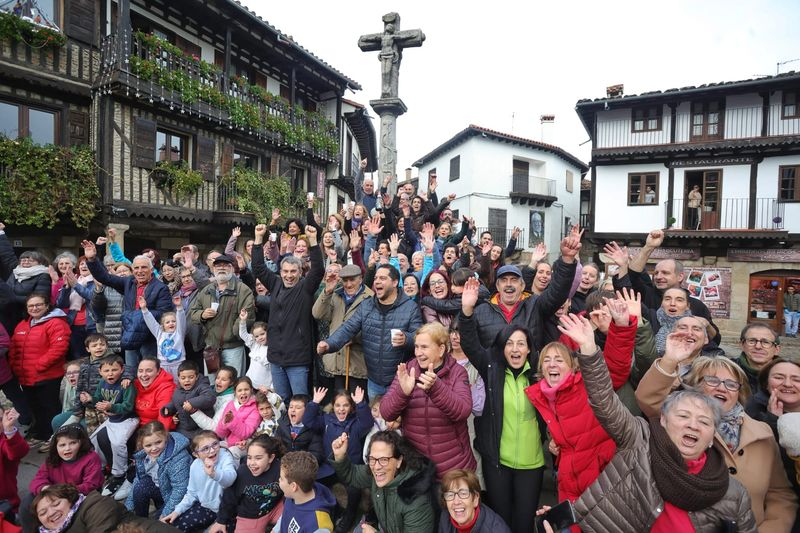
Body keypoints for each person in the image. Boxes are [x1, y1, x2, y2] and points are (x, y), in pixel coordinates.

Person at [556, 313, 757, 532]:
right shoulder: (640, 441)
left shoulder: (733, 494)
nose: (692, 425)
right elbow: (604, 401)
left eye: (704, 421)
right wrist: (588, 348)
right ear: (663, 420)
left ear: (712, 437)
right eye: (683, 416)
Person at [636, 354, 798, 532]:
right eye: (712, 380)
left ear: (739, 392)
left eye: (731, 384)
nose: (722, 388)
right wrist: (669, 359)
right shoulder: (678, 423)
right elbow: (648, 398)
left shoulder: (763, 432)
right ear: (695, 385)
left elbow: (780, 494)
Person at [527, 297, 636, 506]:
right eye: (547, 361)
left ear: (572, 366)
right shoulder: (543, 397)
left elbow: (615, 367)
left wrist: (621, 326)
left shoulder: (586, 384)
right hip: (569, 483)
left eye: (559, 360)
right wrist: (554, 446)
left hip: (602, 483)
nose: (552, 365)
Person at [458, 277, 545, 533]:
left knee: (523, 524)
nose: (515, 349)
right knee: (500, 522)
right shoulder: (491, 369)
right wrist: (466, 311)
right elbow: (470, 344)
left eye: (521, 344)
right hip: (498, 463)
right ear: (501, 348)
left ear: (529, 349)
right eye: (509, 343)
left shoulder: (540, 376)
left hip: (532, 465)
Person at [380, 322, 475, 479]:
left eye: (424, 347)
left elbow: (463, 410)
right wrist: (402, 393)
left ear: (441, 349)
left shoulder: (458, 372)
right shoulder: (408, 370)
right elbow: (386, 413)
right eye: (416, 347)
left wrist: (436, 387)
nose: (418, 353)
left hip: (454, 467)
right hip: (418, 467)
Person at [318, 264, 423, 399]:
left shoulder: (411, 308)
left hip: (399, 381)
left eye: (383, 278)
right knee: (375, 419)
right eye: (376, 278)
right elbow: (348, 328)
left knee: (397, 420)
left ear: (395, 282)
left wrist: (407, 339)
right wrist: (329, 344)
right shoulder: (366, 305)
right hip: (373, 381)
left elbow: (419, 338)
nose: (377, 281)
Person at [252, 224, 324, 401]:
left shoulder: (306, 287)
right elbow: (259, 267)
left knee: (300, 400)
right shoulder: (275, 284)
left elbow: (318, 270)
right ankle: (283, 429)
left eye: (293, 271)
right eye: (285, 271)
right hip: (276, 357)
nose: (289, 275)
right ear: (280, 272)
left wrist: (313, 241)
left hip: (298, 359)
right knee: (281, 399)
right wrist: (258, 239)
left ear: (300, 272)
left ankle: (301, 429)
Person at [82, 239, 174, 373]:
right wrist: (92, 259)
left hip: (149, 340)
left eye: (144, 267)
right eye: (136, 268)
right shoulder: (129, 282)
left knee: (149, 373)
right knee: (130, 373)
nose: (140, 271)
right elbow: (105, 278)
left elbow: (164, 314)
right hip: (130, 337)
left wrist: (138, 315)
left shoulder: (161, 288)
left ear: (151, 269)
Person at [615, 229, 720, 344]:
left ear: (680, 276)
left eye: (665, 273)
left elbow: (715, 339)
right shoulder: (646, 295)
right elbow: (632, 277)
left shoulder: (697, 306)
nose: (658, 277)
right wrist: (649, 246)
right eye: (656, 273)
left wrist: (707, 325)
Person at [331, 431, 436, 533]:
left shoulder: (417, 501)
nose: (376, 467)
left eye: (384, 460)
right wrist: (340, 456)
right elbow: (352, 474)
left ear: (399, 461)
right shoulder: (377, 474)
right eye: (372, 459)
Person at [304, 386, 372, 532]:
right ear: (332, 406)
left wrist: (361, 404)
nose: (341, 409)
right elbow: (308, 421)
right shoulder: (326, 420)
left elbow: (367, 423)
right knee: (313, 481)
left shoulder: (356, 422)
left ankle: (349, 516)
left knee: (354, 492)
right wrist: (314, 403)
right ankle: (325, 510)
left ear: (351, 407)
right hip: (330, 467)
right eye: (338, 405)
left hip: (351, 468)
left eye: (346, 405)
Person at [8, 292, 70, 444]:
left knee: (49, 407)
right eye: (31, 305)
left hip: (47, 375)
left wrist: (39, 365)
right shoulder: (23, 324)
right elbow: (14, 347)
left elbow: (59, 347)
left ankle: (55, 437)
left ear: (47, 305)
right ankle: (41, 434)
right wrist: (15, 366)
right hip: (26, 375)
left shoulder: (56, 323)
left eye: (38, 305)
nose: (34, 308)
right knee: (35, 406)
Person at [21, 424, 104, 530]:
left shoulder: (91, 458)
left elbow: (91, 485)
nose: (67, 448)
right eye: (62, 445)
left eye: (73, 443)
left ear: (81, 442)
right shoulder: (52, 459)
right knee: (28, 501)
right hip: (54, 495)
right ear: (56, 446)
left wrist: (62, 493)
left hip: (80, 495)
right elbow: (38, 479)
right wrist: (44, 488)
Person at [189, 254, 254, 378]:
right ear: (213, 269)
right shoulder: (206, 290)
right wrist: (202, 314)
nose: (221, 268)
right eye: (218, 266)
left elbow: (248, 316)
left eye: (226, 265)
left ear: (232, 268)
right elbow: (193, 313)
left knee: (234, 383)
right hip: (211, 349)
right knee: (214, 385)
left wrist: (232, 335)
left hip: (233, 348)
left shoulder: (243, 290)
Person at [312, 263, 373, 394]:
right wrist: (327, 291)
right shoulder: (335, 295)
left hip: (358, 362)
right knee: (340, 405)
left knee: (357, 405)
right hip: (337, 361)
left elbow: (374, 328)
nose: (348, 284)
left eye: (352, 280)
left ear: (360, 279)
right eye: (345, 280)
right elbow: (318, 314)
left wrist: (355, 338)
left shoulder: (371, 297)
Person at [160, 431, 237, 531]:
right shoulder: (195, 466)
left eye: (215, 444)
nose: (212, 450)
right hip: (207, 507)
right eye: (205, 449)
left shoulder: (225, 456)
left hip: (228, 512)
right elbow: (192, 493)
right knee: (176, 527)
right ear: (196, 454)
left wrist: (214, 474)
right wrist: (177, 511)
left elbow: (230, 479)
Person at [209, 435, 285, 533]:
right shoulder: (242, 473)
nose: (252, 463)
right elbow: (229, 498)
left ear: (271, 458)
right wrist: (221, 521)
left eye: (258, 458)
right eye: (249, 457)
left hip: (275, 508)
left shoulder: (280, 468)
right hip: (251, 516)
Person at [32, 483, 178, 533]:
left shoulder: (94, 505)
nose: (51, 513)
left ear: (70, 500)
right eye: (42, 513)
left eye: (56, 504)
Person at [90, 355, 139, 499]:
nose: (110, 373)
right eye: (106, 370)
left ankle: (119, 475)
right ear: (100, 371)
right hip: (112, 419)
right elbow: (98, 398)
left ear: (122, 370)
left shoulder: (126, 384)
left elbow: (129, 406)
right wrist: (91, 400)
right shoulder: (102, 383)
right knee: (92, 439)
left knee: (118, 443)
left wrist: (111, 406)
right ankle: (103, 468)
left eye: (114, 370)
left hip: (127, 419)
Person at [127, 421, 192, 520]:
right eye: (148, 445)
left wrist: (165, 513)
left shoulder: (178, 457)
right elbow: (139, 478)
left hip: (178, 496)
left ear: (165, 437)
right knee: (140, 487)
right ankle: (139, 519)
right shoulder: (143, 456)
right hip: (161, 489)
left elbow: (180, 489)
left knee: (157, 523)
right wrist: (129, 505)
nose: (154, 448)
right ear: (142, 445)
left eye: (158, 442)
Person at [0, 223, 52, 327]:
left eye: (30, 260)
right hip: (8, 314)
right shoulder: (16, 271)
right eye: (23, 260)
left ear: (40, 263)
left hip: (27, 317)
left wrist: (11, 298)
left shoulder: (43, 276)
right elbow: (7, 255)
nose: (25, 262)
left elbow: (40, 298)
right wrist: (1, 233)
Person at [274, 450, 336, 533]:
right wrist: (276, 529)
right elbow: (286, 514)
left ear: (293, 486)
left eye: (281, 478)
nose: (279, 480)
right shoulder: (292, 495)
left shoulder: (318, 525)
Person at [438, 468, 511, 533]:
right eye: (450, 495)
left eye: (463, 493)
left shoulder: (496, 529)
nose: (456, 502)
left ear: (475, 498)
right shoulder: (445, 518)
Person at [162, 360, 215, 439]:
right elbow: (175, 401)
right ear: (179, 378)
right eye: (183, 378)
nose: (187, 380)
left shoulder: (202, 386)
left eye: (191, 377)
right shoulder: (178, 389)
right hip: (183, 428)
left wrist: (191, 403)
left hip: (200, 428)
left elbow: (209, 397)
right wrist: (169, 409)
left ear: (196, 377)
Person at [142, 294, 187, 382]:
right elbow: (151, 322)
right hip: (163, 365)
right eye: (167, 322)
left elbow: (181, 320)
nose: (171, 323)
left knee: (178, 385)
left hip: (178, 364)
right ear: (163, 325)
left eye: (173, 321)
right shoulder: (159, 333)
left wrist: (179, 307)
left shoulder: (179, 333)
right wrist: (144, 310)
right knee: (165, 385)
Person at [216, 377, 260, 460]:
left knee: (230, 454)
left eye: (246, 389)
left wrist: (232, 421)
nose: (243, 393)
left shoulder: (255, 407)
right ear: (235, 392)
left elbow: (246, 433)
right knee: (212, 448)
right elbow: (220, 434)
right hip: (228, 442)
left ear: (251, 390)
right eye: (239, 390)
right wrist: (224, 422)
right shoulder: (231, 404)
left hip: (246, 444)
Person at [734, 323, 782, 395]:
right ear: (742, 345)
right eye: (752, 341)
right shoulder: (730, 370)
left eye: (766, 342)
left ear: (777, 349)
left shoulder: (789, 376)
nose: (758, 346)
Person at [0, 407, 29, 522]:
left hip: (5, 506)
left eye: (0, 419)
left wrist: (10, 429)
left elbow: (18, 452)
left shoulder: (4, 441)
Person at [188, 365, 237, 432]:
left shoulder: (229, 401)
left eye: (224, 380)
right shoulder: (210, 390)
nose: (219, 381)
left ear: (231, 383)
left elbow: (214, 427)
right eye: (217, 378)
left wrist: (193, 411)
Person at [238, 310, 272, 390]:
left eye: (262, 334)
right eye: (256, 336)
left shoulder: (273, 348)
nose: (260, 337)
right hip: (250, 383)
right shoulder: (254, 345)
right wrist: (243, 321)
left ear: (268, 332)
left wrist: (271, 388)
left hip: (265, 387)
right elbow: (243, 334)